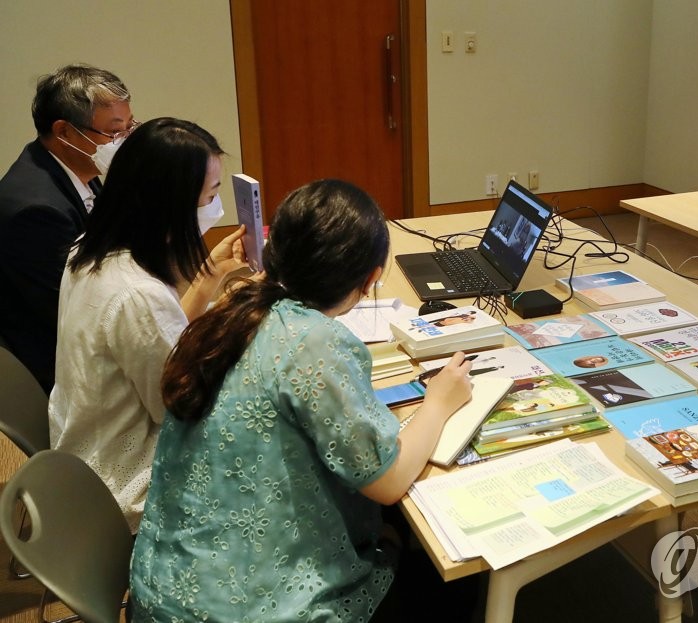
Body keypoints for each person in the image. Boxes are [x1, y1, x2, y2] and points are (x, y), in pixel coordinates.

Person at [130, 179, 474, 622]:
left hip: (160, 596)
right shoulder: (314, 342)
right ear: (370, 280)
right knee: (444, 573)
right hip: (250, 611)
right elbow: (386, 482)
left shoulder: (230, 311)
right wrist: (441, 401)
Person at [48, 118, 248, 531]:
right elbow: (180, 405)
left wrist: (210, 273)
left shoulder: (89, 250)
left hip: (83, 460)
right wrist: (244, 318)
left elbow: (163, 340)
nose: (214, 206)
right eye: (210, 194)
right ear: (170, 204)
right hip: (130, 490)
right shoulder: (137, 294)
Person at [0, 64, 135, 392]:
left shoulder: (80, 172)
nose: (125, 142)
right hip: (59, 372)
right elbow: (82, 311)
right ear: (64, 132)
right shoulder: (35, 210)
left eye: (130, 128)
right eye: (114, 133)